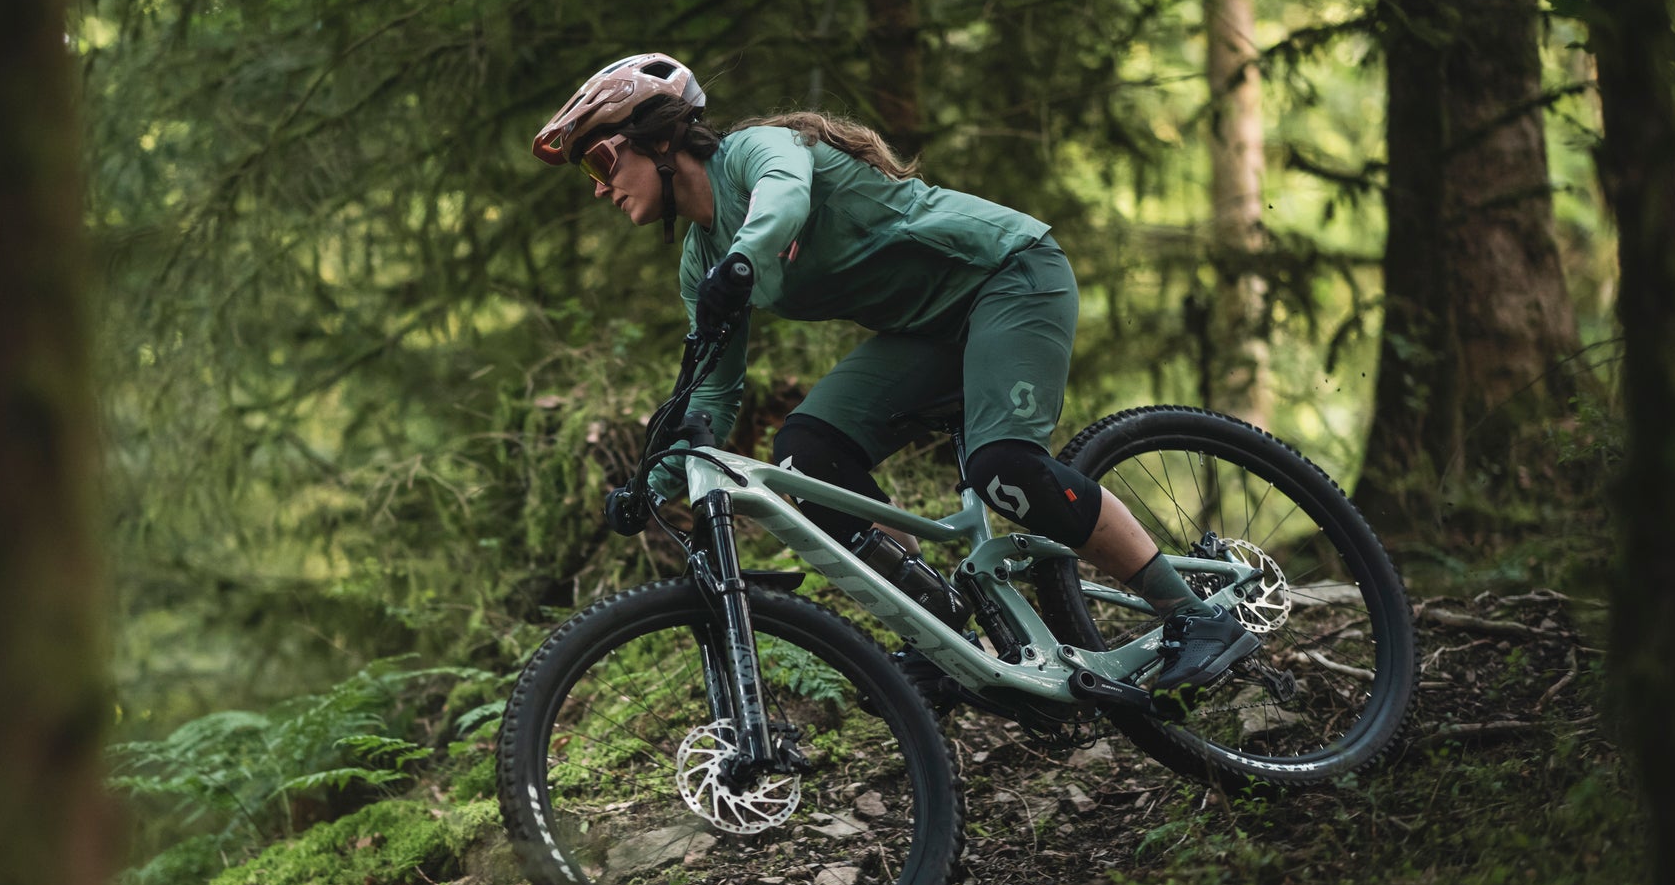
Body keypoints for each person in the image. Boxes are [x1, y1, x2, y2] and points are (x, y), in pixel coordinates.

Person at [532, 52, 1258, 705]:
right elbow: (714, 392)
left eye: (600, 164)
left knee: (1007, 467)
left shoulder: (758, 152)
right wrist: (652, 484)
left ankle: (1194, 613)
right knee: (804, 457)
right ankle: (939, 627)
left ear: (660, 138)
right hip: (928, 333)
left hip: (1007, 276)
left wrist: (746, 259)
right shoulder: (701, 260)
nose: (599, 190)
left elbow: (783, 198)